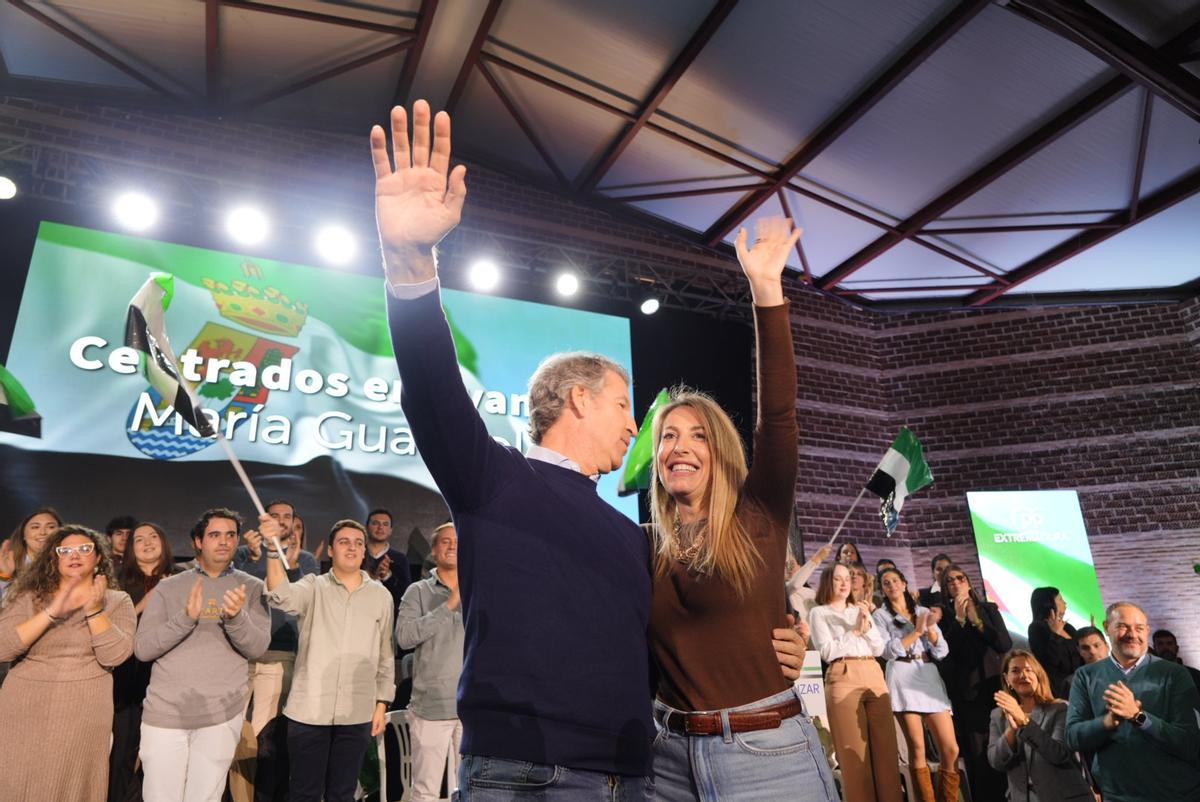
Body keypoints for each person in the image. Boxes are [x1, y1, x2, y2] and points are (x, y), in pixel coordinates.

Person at [370, 100, 807, 800]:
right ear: (578, 398)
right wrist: (410, 263)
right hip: (525, 776)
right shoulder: (493, 480)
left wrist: (776, 637)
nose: (638, 430)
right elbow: (432, 391)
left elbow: (688, 636)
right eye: (625, 406)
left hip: (638, 776)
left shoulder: (636, 539)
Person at [645, 216, 837, 801]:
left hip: (767, 754)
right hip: (666, 761)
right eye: (668, 436)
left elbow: (778, 416)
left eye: (698, 436)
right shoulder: (643, 545)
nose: (679, 447)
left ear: (722, 452)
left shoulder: (758, 515)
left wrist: (766, 291)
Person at [134, 507, 272, 802]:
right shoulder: (168, 587)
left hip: (220, 715)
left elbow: (257, 648)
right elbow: (143, 649)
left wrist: (236, 618)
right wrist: (186, 618)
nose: (224, 541)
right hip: (165, 714)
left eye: (231, 535)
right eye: (214, 535)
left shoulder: (252, 588)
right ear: (198, 541)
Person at [263, 517, 394, 802]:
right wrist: (273, 552)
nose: (352, 548)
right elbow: (280, 596)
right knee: (304, 793)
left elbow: (386, 655)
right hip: (309, 711)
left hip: (357, 711)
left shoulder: (381, 596)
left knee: (343, 793)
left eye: (358, 543)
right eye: (344, 542)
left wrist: (381, 704)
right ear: (331, 550)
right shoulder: (314, 586)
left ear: (364, 550)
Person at [0, 525, 135, 801]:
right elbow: (3, 648)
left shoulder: (117, 600)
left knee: (72, 782)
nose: (75, 555)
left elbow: (115, 655)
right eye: (66, 550)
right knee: (17, 778)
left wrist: (94, 610)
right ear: (54, 557)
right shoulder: (28, 596)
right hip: (24, 703)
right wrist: (51, 612)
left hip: (84, 704)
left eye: (85, 549)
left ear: (98, 557)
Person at [1067, 602, 1200, 802]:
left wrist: (1138, 717)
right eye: (1123, 626)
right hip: (1118, 796)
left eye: (1139, 628)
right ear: (1106, 627)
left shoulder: (1175, 674)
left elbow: (1188, 744)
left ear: (1147, 631)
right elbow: (1072, 737)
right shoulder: (1085, 676)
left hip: (1175, 794)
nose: (1132, 634)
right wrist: (1106, 723)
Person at [232, 499, 320, 802]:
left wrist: (292, 568)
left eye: (288, 516)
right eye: (275, 515)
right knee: (231, 733)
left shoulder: (305, 560)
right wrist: (251, 559)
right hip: (241, 654)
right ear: (263, 520)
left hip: (281, 654)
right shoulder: (244, 554)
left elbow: (298, 603)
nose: (282, 520)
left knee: (266, 737)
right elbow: (235, 593)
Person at [809, 563, 902, 802]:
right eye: (837, 578)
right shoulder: (819, 613)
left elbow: (879, 648)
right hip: (843, 674)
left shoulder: (859, 609)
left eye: (847, 579)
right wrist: (855, 633)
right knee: (855, 761)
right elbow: (827, 651)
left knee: (887, 755)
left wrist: (866, 625)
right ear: (827, 581)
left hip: (873, 673)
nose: (843, 583)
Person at [873, 568, 959, 802]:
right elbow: (887, 651)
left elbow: (941, 651)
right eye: (886, 583)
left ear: (904, 583)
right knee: (918, 747)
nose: (892, 585)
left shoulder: (922, 611)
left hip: (927, 674)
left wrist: (929, 629)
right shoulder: (880, 616)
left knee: (951, 749)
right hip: (902, 675)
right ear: (883, 590)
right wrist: (916, 632)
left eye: (895, 581)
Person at [110, 522, 178, 802]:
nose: (148, 542)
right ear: (130, 548)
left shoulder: (181, 578)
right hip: (128, 678)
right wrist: (145, 601)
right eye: (139, 539)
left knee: (160, 755)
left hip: (169, 678)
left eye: (154, 537)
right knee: (123, 752)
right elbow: (112, 629)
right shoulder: (118, 582)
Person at [397, 522, 464, 802]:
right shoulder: (418, 591)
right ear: (434, 550)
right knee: (425, 791)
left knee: (471, 790)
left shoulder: (480, 588)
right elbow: (404, 637)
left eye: (457, 541)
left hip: (472, 708)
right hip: (431, 707)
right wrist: (449, 605)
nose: (452, 546)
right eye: (445, 541)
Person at [937, 563, 1012, 802]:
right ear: (945, 588)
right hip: (967, 695)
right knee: (978, 754)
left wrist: (978, 622)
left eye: (960, 578)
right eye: (950, 581)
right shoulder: (943, 617)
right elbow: (945, 653)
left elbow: (1004, 643)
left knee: (1005, 744)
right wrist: (960, 620)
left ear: (968, 582)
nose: (956, 583)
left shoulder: (988, 609)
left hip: (995, 687)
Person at [988, 650, 1093, 802]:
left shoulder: (1060, 709)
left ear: (1038, 675)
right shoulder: (998, 715)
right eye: (1015, 671)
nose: (1023, 675)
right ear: (1006, 679)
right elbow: (996, 762)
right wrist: (1011, 730)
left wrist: (1024, 721)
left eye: (1028, 670)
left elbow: (1059, 754)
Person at [1027, 586, 1081, 699]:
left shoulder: (1067, 627)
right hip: (1061, 690)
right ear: (1049, 604)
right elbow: (1050, 660)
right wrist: (1055, 634)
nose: (1065, 602)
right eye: (1060, 599)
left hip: (1080, 682)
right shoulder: (1036, 628)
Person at [0, 506, 62, 597]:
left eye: (51, 527)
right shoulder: (6, 563)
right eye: (35, 527)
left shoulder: (69, 563)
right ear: (23, 535)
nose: (43, 532)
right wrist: (5, 576)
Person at [364, 507, 411, 608]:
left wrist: (387, 576)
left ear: (390, 530)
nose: (380, 528)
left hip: (389, 614)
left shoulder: (400, 559)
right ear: (367, 527)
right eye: (375, 523)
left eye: (385, 524)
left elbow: (406, 596)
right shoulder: (357, 555)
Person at [786, 542, 831, 621]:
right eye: (786, 567)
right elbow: (794, 584)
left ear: (800, 567)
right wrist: (817, 558)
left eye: (792, 565)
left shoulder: (811, 593)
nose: (789, 569)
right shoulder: (785, 589)